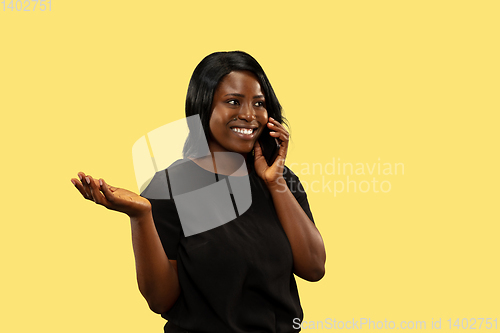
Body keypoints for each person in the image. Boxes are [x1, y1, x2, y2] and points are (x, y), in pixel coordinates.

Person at [71, 51, 326, 333]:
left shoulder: (281, 180)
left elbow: (314, 268)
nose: (249, 115)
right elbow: (160, 300)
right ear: (204, 107)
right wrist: (141, 216)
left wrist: (275, 183)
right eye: (233, 102)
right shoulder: (170, 185)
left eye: (259, 103)